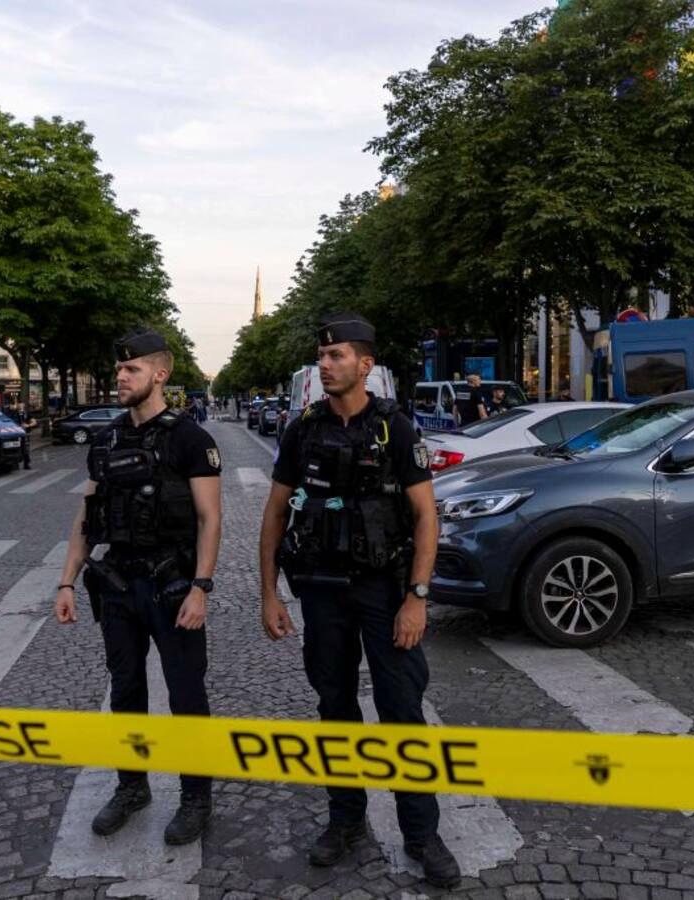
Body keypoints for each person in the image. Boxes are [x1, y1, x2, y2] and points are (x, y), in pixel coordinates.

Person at [257, 312, 460, 889]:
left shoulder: (395, 428)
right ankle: (345, 821)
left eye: (337, 356)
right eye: (321, 357)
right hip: (321, 592)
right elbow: (274, 514)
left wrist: (417, 598)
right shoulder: (303, 430)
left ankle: (422, 834)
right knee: (335, 709)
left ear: (365, 365)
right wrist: (268, 594)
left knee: (402, 713)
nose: (325, 365)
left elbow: (426, 518)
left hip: (384, 592)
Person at [53, 328, 222, 846]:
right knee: (125, 693)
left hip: (173, 587)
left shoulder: (191, 438)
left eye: (131, 370)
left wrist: (201, 588)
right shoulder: (106, 440)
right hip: (119, 586)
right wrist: (66, 580)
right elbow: (87, 513)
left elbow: (209, 518)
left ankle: (196, 797)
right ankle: (132, 786)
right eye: (118, 370)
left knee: (186, 695)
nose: (120, 377)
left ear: (159, 375)